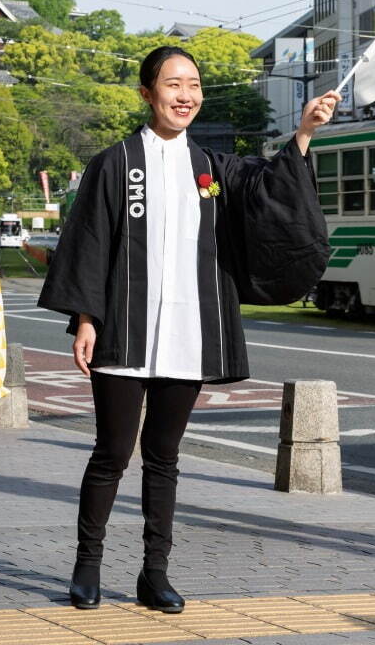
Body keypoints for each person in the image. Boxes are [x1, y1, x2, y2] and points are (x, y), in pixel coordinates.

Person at [40, 46, 336, 615]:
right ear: (147, 93)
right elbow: (91, 241)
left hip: (188, 329)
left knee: (164, 456)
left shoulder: (212, 167)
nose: (186, 95)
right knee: (111, 452)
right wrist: (84, 317)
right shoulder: (116, 162)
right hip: (123, 329)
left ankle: (155, 574)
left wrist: (302, 135)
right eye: (173, 84)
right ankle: (88, 566)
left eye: (194, 85)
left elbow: (270, 190)